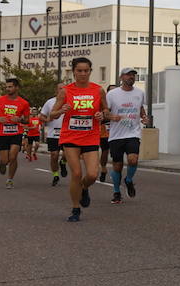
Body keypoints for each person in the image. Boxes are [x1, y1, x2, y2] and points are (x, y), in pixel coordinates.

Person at [50, 57, 108, 222]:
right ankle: (76, 209)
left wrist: (101, 114)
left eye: (86, 70)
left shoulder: (98, 90)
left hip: (90, 137)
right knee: (76, 173)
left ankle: (83, 188)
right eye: (79, 71)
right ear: (73, 72)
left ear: (90, 71)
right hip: (70, 136)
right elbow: (51, 114)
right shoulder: (66, 91)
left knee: (92, 174)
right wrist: (61, 110)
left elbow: (106, 110)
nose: (83, 74)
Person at [106, 68, 148, 205]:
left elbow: (141, 108)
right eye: (128, 75)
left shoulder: (140, 93)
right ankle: (117, 192)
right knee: (117, 166)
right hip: (116, 135)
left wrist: (144, 117)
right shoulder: (112, 94)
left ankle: (129, 180)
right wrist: (113, 116)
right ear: (121, 77)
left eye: (133, 75)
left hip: (133, 133)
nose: (131, 77)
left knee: (133, 159)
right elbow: (105, 112)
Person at [0, 76, 31, 190]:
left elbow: (27, 120)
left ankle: (10, 179)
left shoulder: (24, 103)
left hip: (16, 132)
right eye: (6, 87)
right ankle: (2, 163)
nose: (8, 89)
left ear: (16, 87)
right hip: (1, 133)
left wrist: (20, 120)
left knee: (13, 157)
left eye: (10, 87)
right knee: (5, 159)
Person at [40, 93, 67, 186]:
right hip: (53, 134)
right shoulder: (50, 102)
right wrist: (47, 120)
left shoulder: (71, 101)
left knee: (67, 154)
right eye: (60, 89)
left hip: (67, 133)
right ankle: (55, 175)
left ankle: (63, 162)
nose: (62, 91)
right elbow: (41, 116)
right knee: (54, 155)